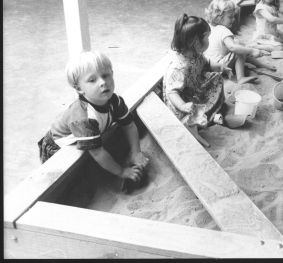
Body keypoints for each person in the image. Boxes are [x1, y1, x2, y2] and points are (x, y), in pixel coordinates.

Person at [37, 50, 149, 184]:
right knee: (61, 181)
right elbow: (98, 153)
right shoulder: (83, 118)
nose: (103, 82)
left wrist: (136, 152)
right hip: (57, 145)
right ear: (79, 89)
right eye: (92, 80)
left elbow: (129, 125)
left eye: (106, 75)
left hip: (88, 131)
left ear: (112, 74)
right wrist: (122, 172)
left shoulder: (116, 101)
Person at [164, 14, 230, 147]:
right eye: (207, 38)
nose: (209, 41)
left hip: (194, 88)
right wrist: (182, 105)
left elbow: (207, 63)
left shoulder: (195, 54)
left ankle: (209, 114)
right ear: (196, 42)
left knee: (216, 78)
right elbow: (172, 92)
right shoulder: (179, 67)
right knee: (189, 116)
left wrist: (221, 67)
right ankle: (194, 128)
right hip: (182, 100)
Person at [204, 0, 274, 85]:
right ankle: (241, 78)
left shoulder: (210, 26)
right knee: (238, 50)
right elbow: (233, 47)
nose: (233, 19)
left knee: (239, 47)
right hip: (220, 66)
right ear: (219, 17)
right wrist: (252, 50)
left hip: (209, 64)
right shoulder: (224, 30)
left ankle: (260, 64)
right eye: (230, 17)